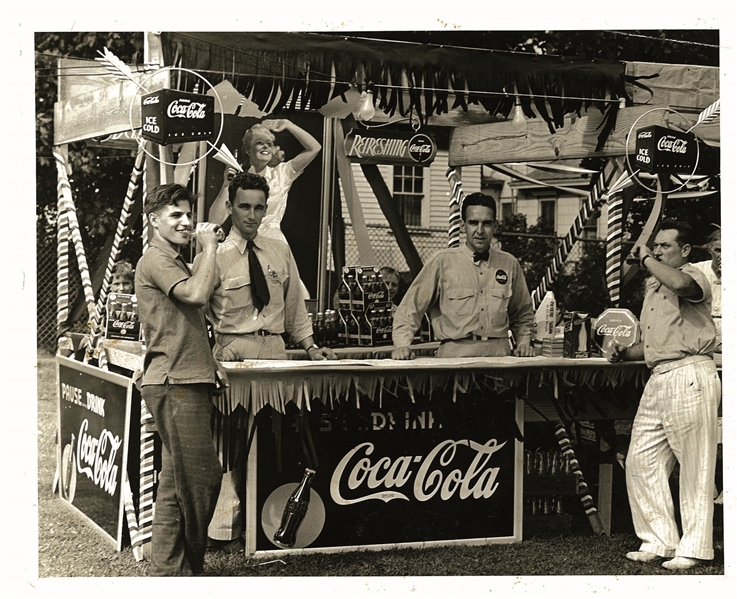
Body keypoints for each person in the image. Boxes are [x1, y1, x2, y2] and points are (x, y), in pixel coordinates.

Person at [607, 219, 720, 571]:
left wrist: (645, 260)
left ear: (685, 251)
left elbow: (684, 285)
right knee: (641, 460)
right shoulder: (654, 286)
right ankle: (658, 539)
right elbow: (654, 344)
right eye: (655, 246)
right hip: (660, 375)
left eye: (665, 246)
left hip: (691, 372)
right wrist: (624, 353)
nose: (656, 252)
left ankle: (696, 547)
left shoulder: (693, 275)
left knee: (696, 465)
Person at [134, 183, 224, 576]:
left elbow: (184, 322)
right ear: (154, 221)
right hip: (175, 382)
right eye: (175, 215)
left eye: (189, 214)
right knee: (203, 481)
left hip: (185, 377)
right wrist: (209, 248)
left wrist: (208, 360)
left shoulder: (170, 258)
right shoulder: (157, 258)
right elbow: (198, 295)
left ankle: (167, 570)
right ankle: (188, 569)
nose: (187, 222)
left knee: (174, 486)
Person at [391, 192, 534, 359]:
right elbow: (410, 308)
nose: (480, 231)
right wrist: (402, 345)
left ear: (495, 226)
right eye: (473, 223)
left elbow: (523, 313)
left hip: (500, 357)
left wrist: (524, 342)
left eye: (486, 223)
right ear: (463, 224)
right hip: (454, 358)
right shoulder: (442, 262)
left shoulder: (509, 264)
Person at [208, 118, 321, 243]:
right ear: (248, 150)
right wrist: (226, 186)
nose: (265, 146)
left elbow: (314, 148)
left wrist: (289, 125)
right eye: (259, 142)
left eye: (269, 143)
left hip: (272, 244)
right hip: (240, 243)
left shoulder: (282, 173)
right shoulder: (237, 178)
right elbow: (214, 221)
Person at [692, 227, 721, 352]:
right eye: (718, 250)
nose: (723, 256)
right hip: (699, 340)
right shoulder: (695, 271)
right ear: (709, 249)